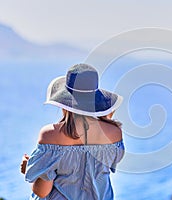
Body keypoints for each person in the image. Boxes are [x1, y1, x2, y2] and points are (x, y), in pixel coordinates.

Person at [20, 63, 124, 200]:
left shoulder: (50, 135)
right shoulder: (114, 133)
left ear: (64, 100)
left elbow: (42, 191)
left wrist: (30, 169)